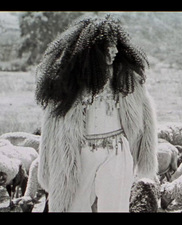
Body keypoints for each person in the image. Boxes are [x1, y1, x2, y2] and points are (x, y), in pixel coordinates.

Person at [35, 14, 158, 212]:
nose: (115, 51)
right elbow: (51, 126)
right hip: (79, 154)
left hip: (117, 150)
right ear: (93, 51)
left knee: (116, 208)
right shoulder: (69, 85)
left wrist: (146, 157)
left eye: (116, 45)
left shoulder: (128, 80)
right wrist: (47, 166)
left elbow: (146, 117)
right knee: (74, 207)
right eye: (108, 46)